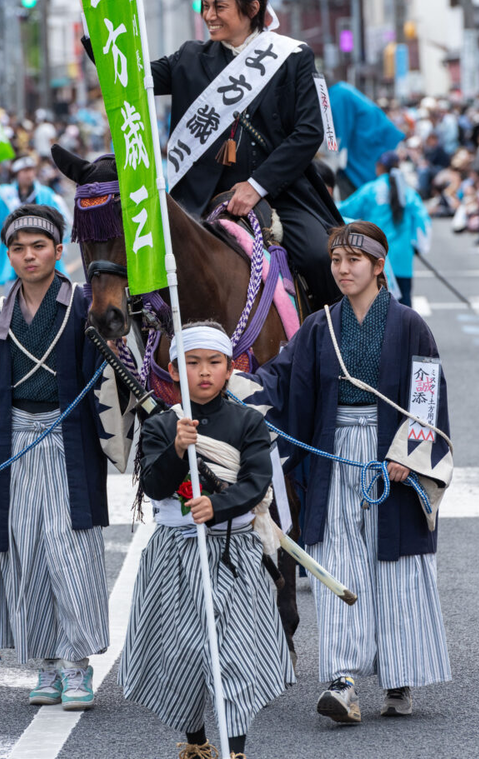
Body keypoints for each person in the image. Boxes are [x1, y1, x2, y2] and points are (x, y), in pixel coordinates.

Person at [231, 220, 451, 724]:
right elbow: (281, 379)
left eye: (354, 260)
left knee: (396, 563)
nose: (343, 269)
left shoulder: (411, 324)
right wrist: (233, 384)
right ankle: (344, 677)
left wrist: (409, 454)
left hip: (391, 458)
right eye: (336, 260)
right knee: (339, 558)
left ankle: (399, 674)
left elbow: (425, 395)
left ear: (378, 266)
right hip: (334, 453)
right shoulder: (318, 326)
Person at [0, 204, 135, 710]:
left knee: (71, 553)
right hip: (12, 443)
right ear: (8, 256)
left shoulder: (85, 308)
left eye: (39, 246)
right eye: (19, 249)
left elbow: (115, 373)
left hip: (68, 444)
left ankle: (77, 666)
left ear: (59, 251)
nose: (29, 256)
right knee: (25, 554)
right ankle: (46, 664)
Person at [118, 321, 294, 759]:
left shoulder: (250, 422)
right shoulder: (162, 425)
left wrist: (218, 506)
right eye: (191, 363)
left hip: (235, 552)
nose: (203, 372)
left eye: (213, 362)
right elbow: (157, 487)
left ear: (230, 367)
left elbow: (257, 485)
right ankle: (196, 742)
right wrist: (178, 451)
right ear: (174, 370)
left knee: (234, 653)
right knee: (185, 652)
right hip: (176, 556)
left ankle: (236, 748)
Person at [149, 0, 340, 309]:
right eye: (205, 6)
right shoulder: (189, 57)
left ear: (253, 9)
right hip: (199, 197)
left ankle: (331, 350)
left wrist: (257, 186)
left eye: (219, 7)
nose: (209, 15)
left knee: (320, 259)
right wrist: (103, 30)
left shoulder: (293, 57)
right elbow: (131, 79)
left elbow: (309, 132)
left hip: (280, 193)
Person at [338, 151, 431, 307]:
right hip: (403, 258)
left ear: (380, 167)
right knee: (404, 308)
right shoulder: (408, 192)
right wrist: (418, 245)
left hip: (376, 257)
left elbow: (344, 211)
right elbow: (422, 219)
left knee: (377, 308)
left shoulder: (371, 190)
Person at [0, 155, 71, 285]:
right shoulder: (4, 194)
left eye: (31, 170)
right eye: (25, 171)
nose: (29, 174)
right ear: (16, 173)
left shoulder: (45, 194)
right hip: (18, 249)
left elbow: (62, 222)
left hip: (41, 247)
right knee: (16, 297)